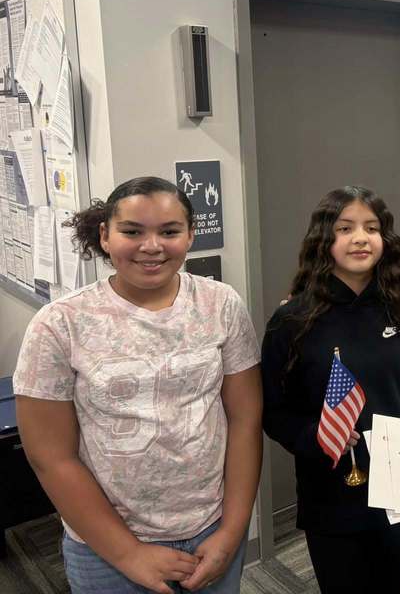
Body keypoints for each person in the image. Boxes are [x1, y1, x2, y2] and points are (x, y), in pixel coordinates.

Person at [14, 176, 262, 594]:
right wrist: (128, 553)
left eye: (169, 231)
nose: (152, 246)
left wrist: (233, 531)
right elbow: (50, 457)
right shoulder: (60, 325)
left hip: (212, 529)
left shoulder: (221, 304)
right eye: (133, 231)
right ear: (106, 236)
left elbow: (245, 421)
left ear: (190, 236)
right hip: (107, 545)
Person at [261, 186, 400, 594]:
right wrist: (314, 437)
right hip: (332, 493)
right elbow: (272, 409)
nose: (360, 237)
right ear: (325, 240)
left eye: (371, 228)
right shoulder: (292, 319)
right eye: (345, 228)